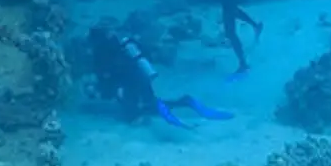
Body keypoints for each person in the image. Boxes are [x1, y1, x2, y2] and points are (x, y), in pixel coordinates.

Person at [86, 25, 232, 129]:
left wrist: (97, 90)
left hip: (131, 82)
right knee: (147, 103)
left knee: (134, 115)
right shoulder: (122, 45)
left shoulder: (101, 55)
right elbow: (145, 54)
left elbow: (108, 83)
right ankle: (184, 103)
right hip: (142, 76)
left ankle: (176, 105)